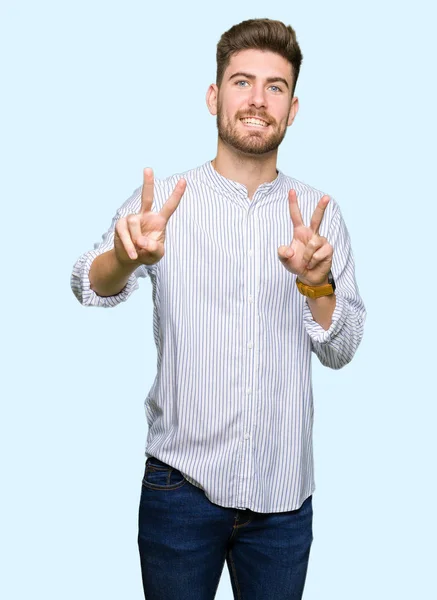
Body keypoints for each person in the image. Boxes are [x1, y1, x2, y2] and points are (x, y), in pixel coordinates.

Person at [71, 17, 366, 600]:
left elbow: (343, 347)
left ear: (293, 107)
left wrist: (318, 283)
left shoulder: (319, 215)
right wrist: (127, 258)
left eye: (275, 87)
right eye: (241, 82)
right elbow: (86, 282)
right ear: (214, 95)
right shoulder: (162, 206)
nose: (257, 100)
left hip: (284, 502)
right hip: (179, 491)